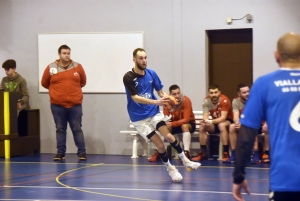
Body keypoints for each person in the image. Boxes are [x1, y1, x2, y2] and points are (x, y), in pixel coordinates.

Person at [232, 32, 300, 201]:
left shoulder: (265, 84)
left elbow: (247, 136)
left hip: (285, 178)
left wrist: (238, 176)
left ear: (276, 55)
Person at [123, 48, 200, 182]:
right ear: (134, 60)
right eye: (141, 58)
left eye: (145, 57)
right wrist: (156, 102)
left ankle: (186, 161)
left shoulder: (152, 74)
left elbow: (160, 92)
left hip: (153, 113)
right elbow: (135, 97)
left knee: (169, 136)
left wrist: (169, 98)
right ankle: (171, 169)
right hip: (139, 119)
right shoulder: (128, 77)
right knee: (160, 145)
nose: (144, 60)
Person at [41, 45, 87, 161]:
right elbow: (44, 83)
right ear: (59, 54)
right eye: (64, 53)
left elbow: (83, 82)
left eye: (68, 53)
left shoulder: (77, 67)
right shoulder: (51, 67)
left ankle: (82, 152)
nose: (67, 55)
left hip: (75, 105)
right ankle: (60, 153)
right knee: (60, 129)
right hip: (57, 105)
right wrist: (56, 93)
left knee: (77, 129)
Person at [148, 84, 196, 162]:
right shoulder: (167, 102)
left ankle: (186, 153)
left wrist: (172, 124)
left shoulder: (186, 100)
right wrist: (167, 123)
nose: (177, 96)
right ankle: (158, 152)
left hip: (188, 124)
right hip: (174, 124)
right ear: (170, 95)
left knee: (184, 126)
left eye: (178, 93)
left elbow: (186, 119)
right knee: (162, 128)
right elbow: (166, 117)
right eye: (174, 94)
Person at [227, 84, 270, 163]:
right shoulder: (235, 101)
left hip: (260, 123)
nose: (247, 94)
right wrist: (237, 122)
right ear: (239, 94)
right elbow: (235, 116)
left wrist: (267, 123)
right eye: (244, 92)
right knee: (232, 127)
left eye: (248, 91)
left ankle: (261, 153)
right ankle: (234, 153)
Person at [191, 84, 233, 162]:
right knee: (202, 127)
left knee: (221, 125)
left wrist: (210, 121)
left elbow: (223, 118)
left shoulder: (224, 100)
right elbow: (205, 116)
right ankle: (203, 152)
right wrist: (205, 121)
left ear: (219, 92)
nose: (214, 95)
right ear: (208, 93)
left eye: (215, 92)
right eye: (211, 93)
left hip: (228, 122)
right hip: (215, 122)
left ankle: (226, 152)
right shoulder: (206, 101)